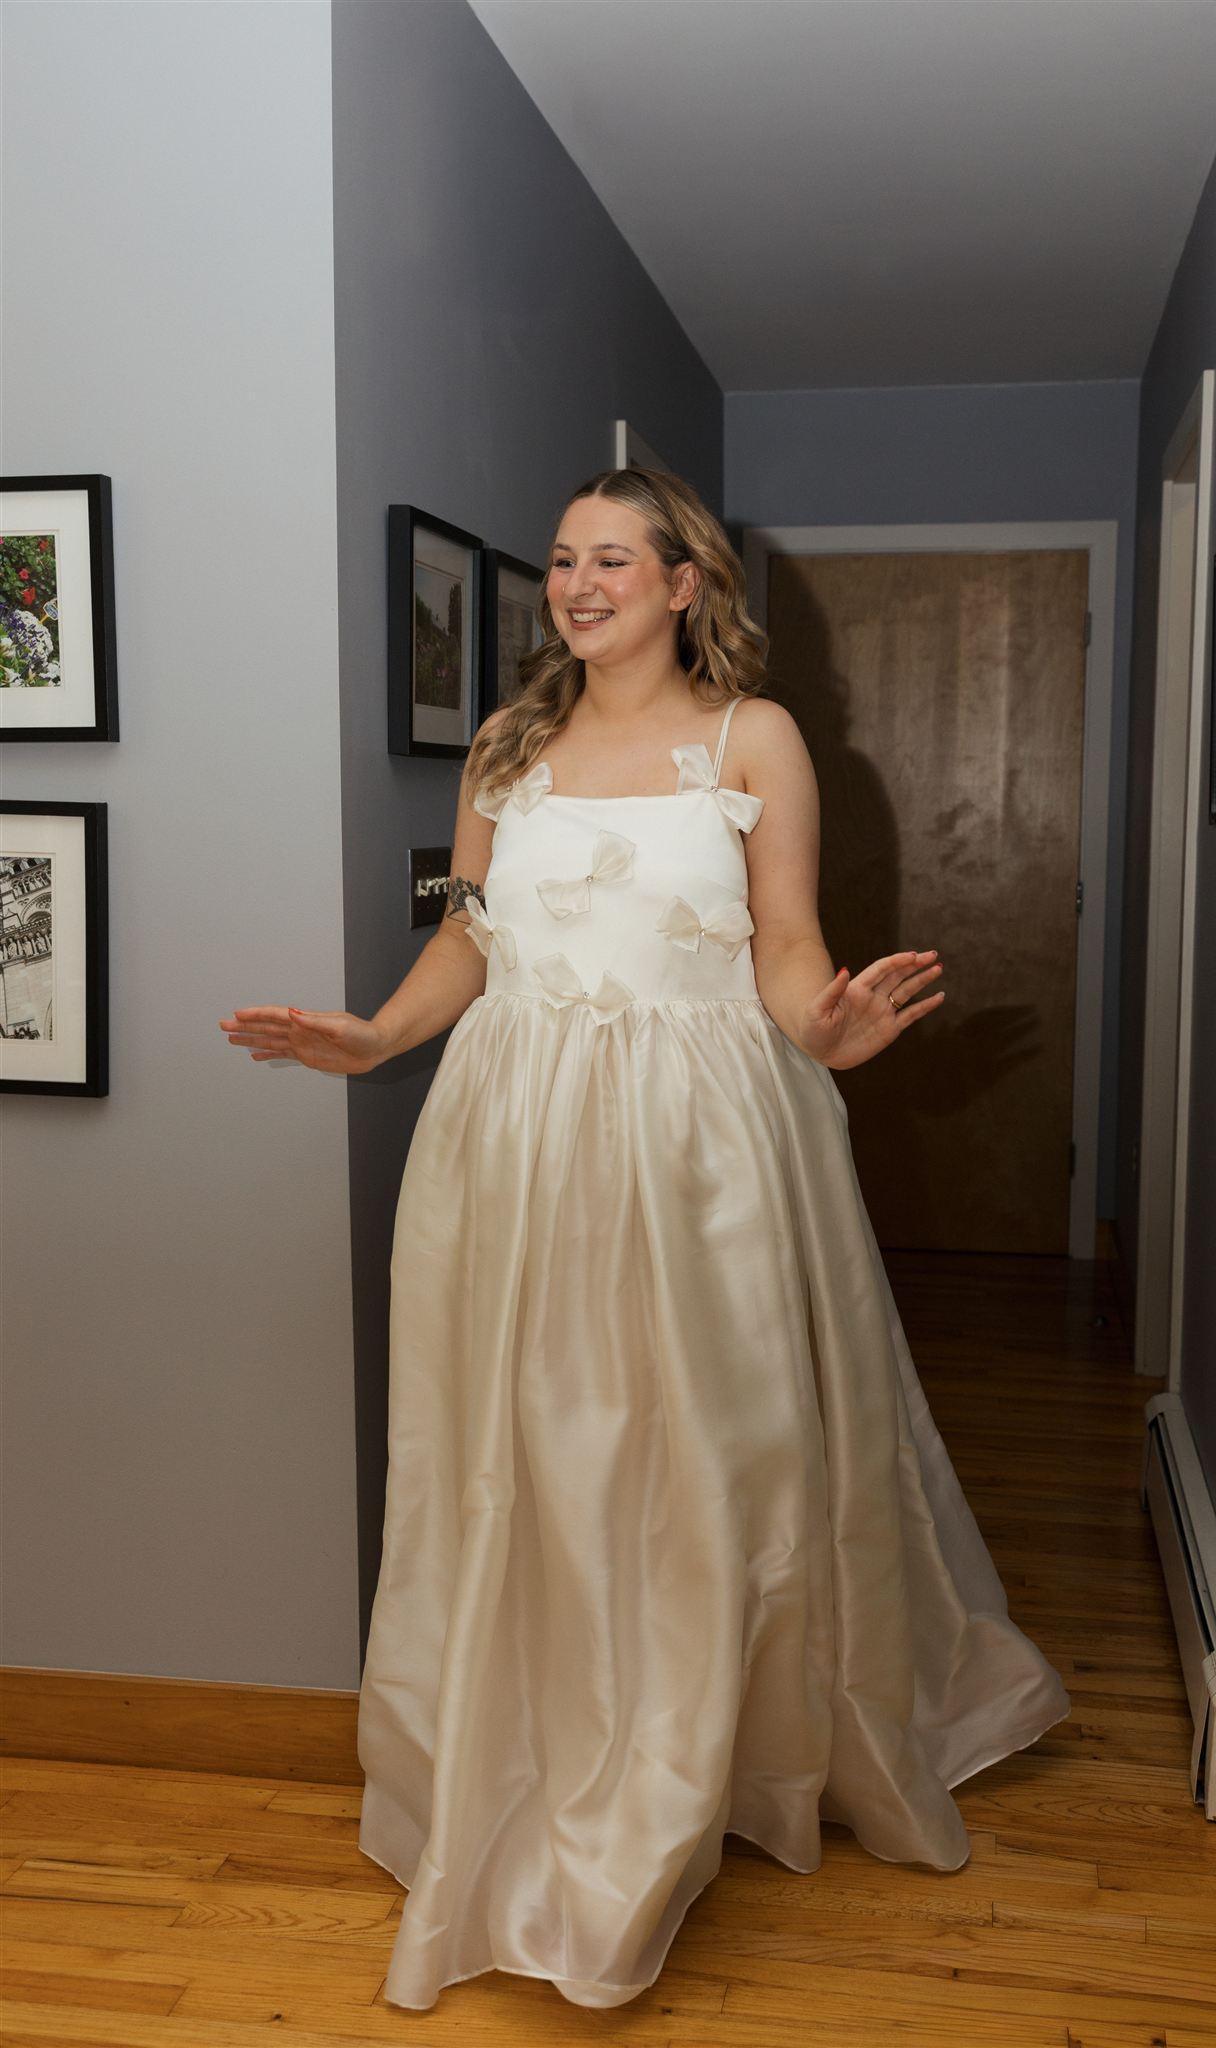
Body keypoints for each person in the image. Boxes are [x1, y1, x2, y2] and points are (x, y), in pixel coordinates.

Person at [220, 466, 1072, 2012]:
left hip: (698, 1146)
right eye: (561, 559)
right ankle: (526, 1747)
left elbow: (789, 950)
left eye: (613, 557)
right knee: (526, 1448)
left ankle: (703, 1764)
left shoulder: (754, 738)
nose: (576, 582)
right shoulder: (506, 746)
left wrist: (833, 1026)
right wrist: (373, 1040)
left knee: (702, 1455)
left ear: (686, 583)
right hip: (514, 1135)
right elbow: (465, 938)